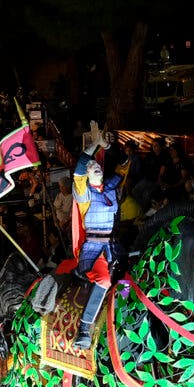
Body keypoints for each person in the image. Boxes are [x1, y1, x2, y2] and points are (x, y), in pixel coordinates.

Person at [71, 121, 128, 349]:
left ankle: (124, 311)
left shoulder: (112, 188)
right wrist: (94, 145)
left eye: (97, 165)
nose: (95, 166)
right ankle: (84, 327)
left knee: (129, 277)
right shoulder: (83, 193)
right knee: (104, 279)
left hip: (114, 246)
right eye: (91, 166)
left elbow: (124, 164)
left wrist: (108, 146)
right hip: (94, 250)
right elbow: (80, 165)